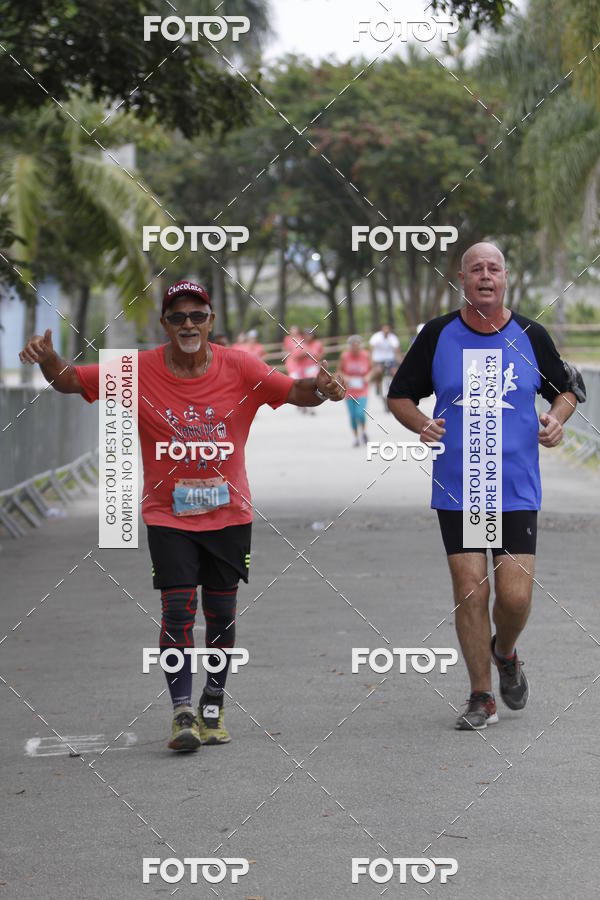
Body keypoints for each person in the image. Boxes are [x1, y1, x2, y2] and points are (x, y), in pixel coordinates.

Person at [19, 279, 346, 752]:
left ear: (210, 322)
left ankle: (213, 703)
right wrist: (48, 358)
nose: (188, 324)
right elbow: (71, 381)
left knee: (221, 616)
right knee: (176, 611)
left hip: (228, 514)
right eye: (178, 317)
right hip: (168, 516)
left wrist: (321, 387)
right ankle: (182, 713)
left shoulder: (239, 366)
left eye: (197, 316)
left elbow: (295, 391)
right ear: (165, 325)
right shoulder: (138, 370)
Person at [387, 242, 583, 731]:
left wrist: (556, 420)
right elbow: (399, 395)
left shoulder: (530, 336)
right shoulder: (438, 335)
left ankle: (505, 652)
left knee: (513, 599)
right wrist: (419, 424)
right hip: (462, 485)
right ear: (462, 278)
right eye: (476, 269)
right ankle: (480, 695)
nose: (485, 276)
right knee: (470, 591)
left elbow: (567, 389)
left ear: (506, 277)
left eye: (494, 268)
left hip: (515, 486)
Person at [336, 335, 371, 446]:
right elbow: (339, 371)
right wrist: (345, 377)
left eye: (357, 345)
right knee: (352, 416)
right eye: (353, 345)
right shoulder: (344, 356)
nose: (355, 347)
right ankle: (356, 437)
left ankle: (364, 432)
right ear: (349, 346)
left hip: (362, 390)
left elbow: (372, 369)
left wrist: (369, 376)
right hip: (349, 391)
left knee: (360, 413)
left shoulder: (366, 355)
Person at [369, 323, 402, 404]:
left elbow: (397, 352)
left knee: (395, 372)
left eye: (388, 329)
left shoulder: (393, 338)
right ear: (382, 329)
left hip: (390, 359)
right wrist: (371, 361)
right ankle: (377, 384)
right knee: (378, 371)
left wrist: (401, 363)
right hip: (378, 359)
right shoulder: (376, 337)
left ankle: (395, 388)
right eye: (385, 329)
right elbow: (371, 350)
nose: (386, 331)